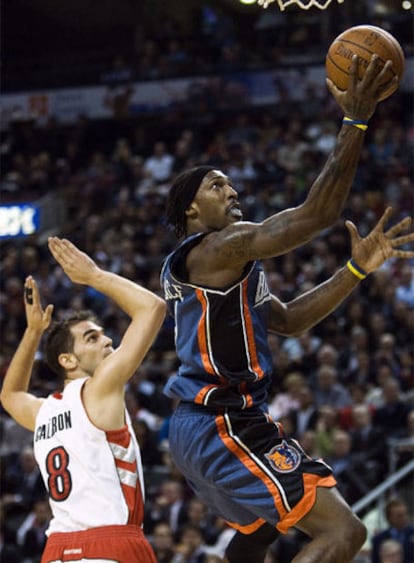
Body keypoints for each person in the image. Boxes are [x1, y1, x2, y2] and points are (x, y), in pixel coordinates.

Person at [160, 53, 413, 562]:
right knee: (344, 533)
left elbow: (292, 320)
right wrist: (356, 118)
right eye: (216, 185)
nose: (232, 190)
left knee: (256, 538)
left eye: (231, 183)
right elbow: (318, 213)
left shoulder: (228, 264)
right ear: (191, 207)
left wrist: (355, 270)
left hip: (204, 423)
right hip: (220, 420)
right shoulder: (214, 250)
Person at [0, 237, 166, 562]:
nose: (107, 340)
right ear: (68, 361)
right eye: (93, 337)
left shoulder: (44, 411)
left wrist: (33, 331)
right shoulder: (99, 388)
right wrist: (93, 276)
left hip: (57, 548)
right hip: (110, 544)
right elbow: (153, 308)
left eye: (103, 333)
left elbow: (10, 394)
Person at [371, 498, 414, 563]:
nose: (404, 518)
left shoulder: (412, 533)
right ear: (389, 518)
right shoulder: (378, 539)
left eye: (405, 514)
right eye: (399, 516)